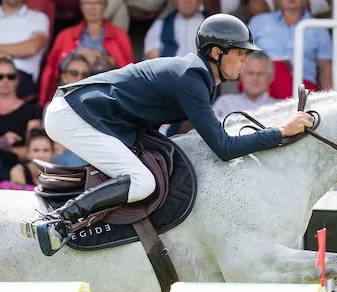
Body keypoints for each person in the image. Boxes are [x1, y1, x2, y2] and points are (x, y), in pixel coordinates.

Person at [22, 13, 314, 257]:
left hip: (89, 113)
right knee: (142, 181)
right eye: (240, 53)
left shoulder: (197, 77)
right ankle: (59, 222)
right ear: (216, 53)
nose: (245, 61)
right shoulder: (191, 78)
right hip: (73, 114)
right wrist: (279, 132)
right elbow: (223, 148)